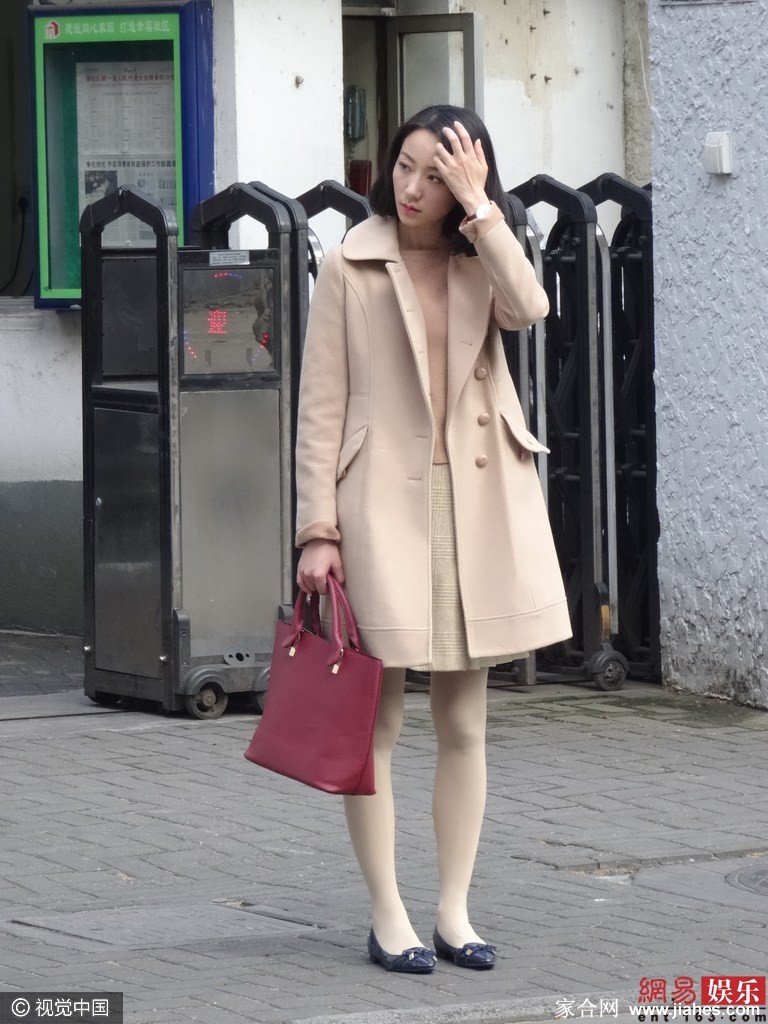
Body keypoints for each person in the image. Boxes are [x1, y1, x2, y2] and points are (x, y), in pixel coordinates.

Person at [294, 104, 572, 974]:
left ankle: (454, 911)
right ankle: (389, 915)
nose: (411, 188)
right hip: (378, 509)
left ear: (466, 180)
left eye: (434, 174)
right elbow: (320, 408)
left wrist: (483, 211)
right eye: (404, 167)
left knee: (464, 721)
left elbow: (529, 308)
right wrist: (317, 531)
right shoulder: (351, 261)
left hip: (474, 505)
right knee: (373, 722)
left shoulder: (481, 253)